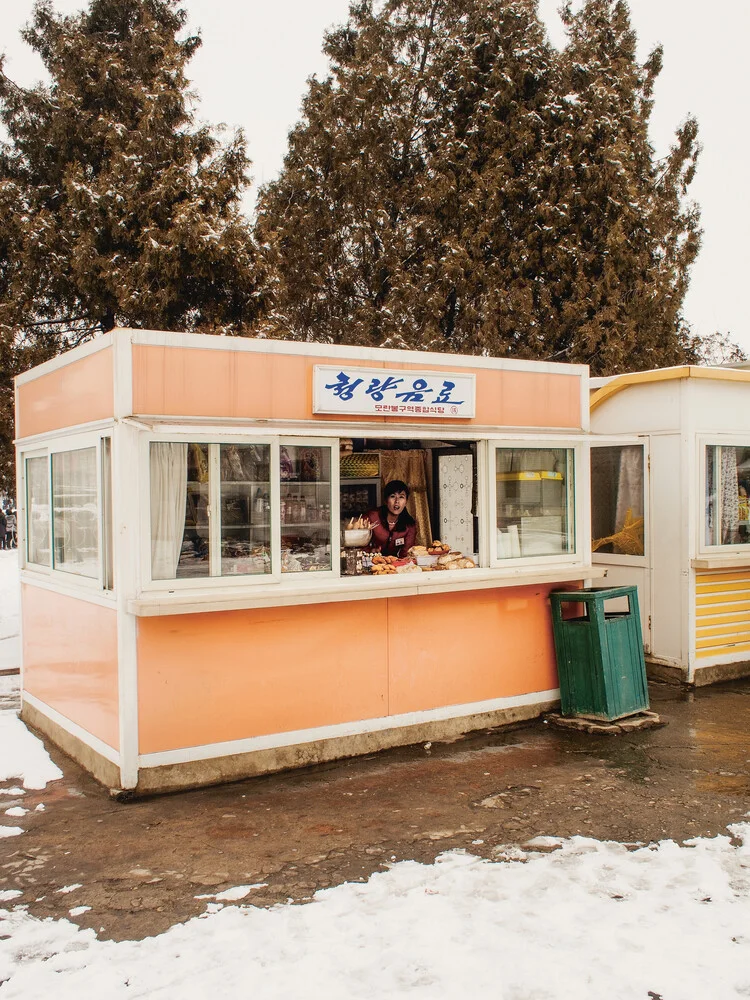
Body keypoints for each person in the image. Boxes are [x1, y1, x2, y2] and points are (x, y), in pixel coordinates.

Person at [368, 480, 417, 557]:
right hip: (372, 563)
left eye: (401, 497)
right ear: (386, 500)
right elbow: (359, 544)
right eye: (393, 496)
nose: (397, 501)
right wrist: (370, 551)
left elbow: (407, 553)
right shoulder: (372, 516)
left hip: (396, 565)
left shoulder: (409, 524)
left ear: (406, 502)